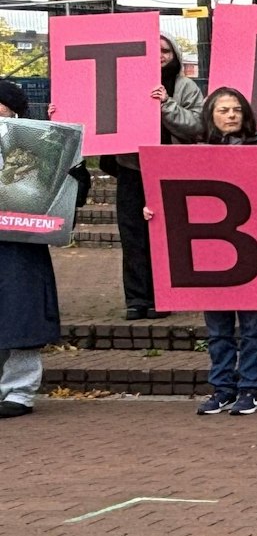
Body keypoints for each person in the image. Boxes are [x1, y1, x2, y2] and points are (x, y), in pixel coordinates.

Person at [143, 88, 257, 416]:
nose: (231, 115)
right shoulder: (193, 153)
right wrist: (153, 210)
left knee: (253, 329)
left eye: (236, 109)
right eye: (223, 110)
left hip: (252, 253)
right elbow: (172, 195)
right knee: (218, 330)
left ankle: (250, 389)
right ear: (210, 115)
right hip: (210, 252)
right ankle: (222, 388)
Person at [99, 34, 204, 320]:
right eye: (154, 50)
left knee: (166, 235)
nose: (160, 55)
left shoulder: (185, 87)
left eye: (166, 50)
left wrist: (167, 104)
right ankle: (137, 299)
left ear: (175, 55)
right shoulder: (123, 83)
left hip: (171, 169)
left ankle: (163, 297)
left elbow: (197, 126)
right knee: (133, 236)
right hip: (132, 168)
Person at [0, 79, 86, 419]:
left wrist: (72, 166)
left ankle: (19, 390)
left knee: (21, 314)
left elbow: (68, 190)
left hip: (20, 246)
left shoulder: (42, 142)